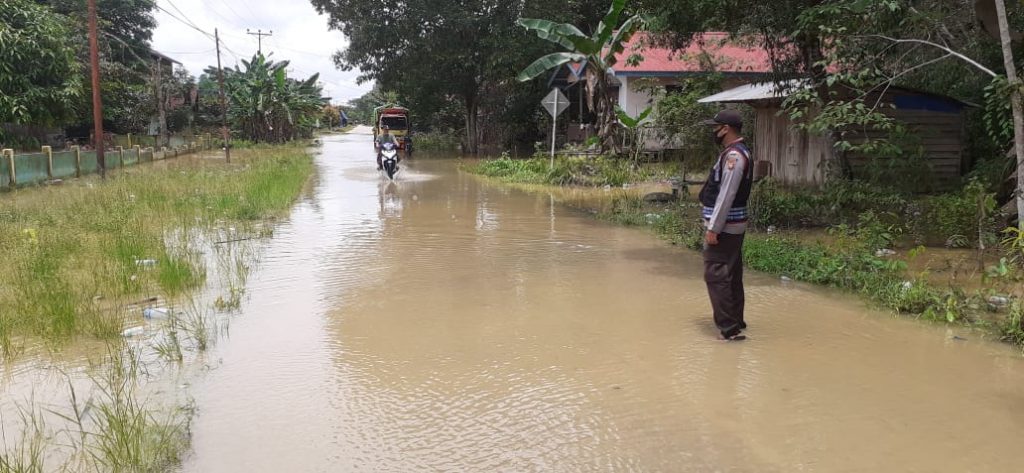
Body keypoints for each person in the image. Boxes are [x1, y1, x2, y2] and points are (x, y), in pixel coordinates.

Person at [698, 109, 753, 341]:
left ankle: (729, 329)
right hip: (733, 225)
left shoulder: (734, 157)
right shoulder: (738, 152)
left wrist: (714, 229)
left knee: (716, 274)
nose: (714, 132)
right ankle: (736, 320)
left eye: (716, 127)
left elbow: (726, 195)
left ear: (726, 129)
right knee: (731, 273)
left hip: (726, 226)